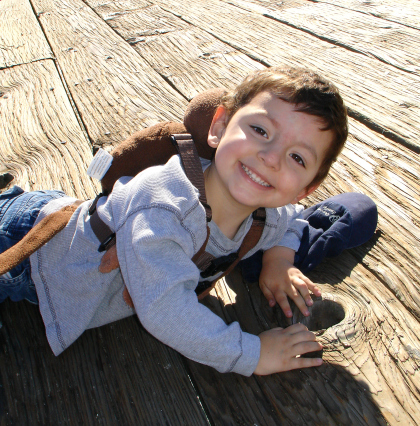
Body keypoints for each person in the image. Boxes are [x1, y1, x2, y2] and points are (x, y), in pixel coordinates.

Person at [0, 67, 377, 377]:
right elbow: (165, 311)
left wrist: (279, 259)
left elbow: (290, 222)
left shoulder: (267, 211)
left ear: (306, 189)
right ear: (220, 126)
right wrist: (251, 353)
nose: (270, 157)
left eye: (297, 157)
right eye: (260, 131)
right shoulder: (166, 207)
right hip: (31, 253)